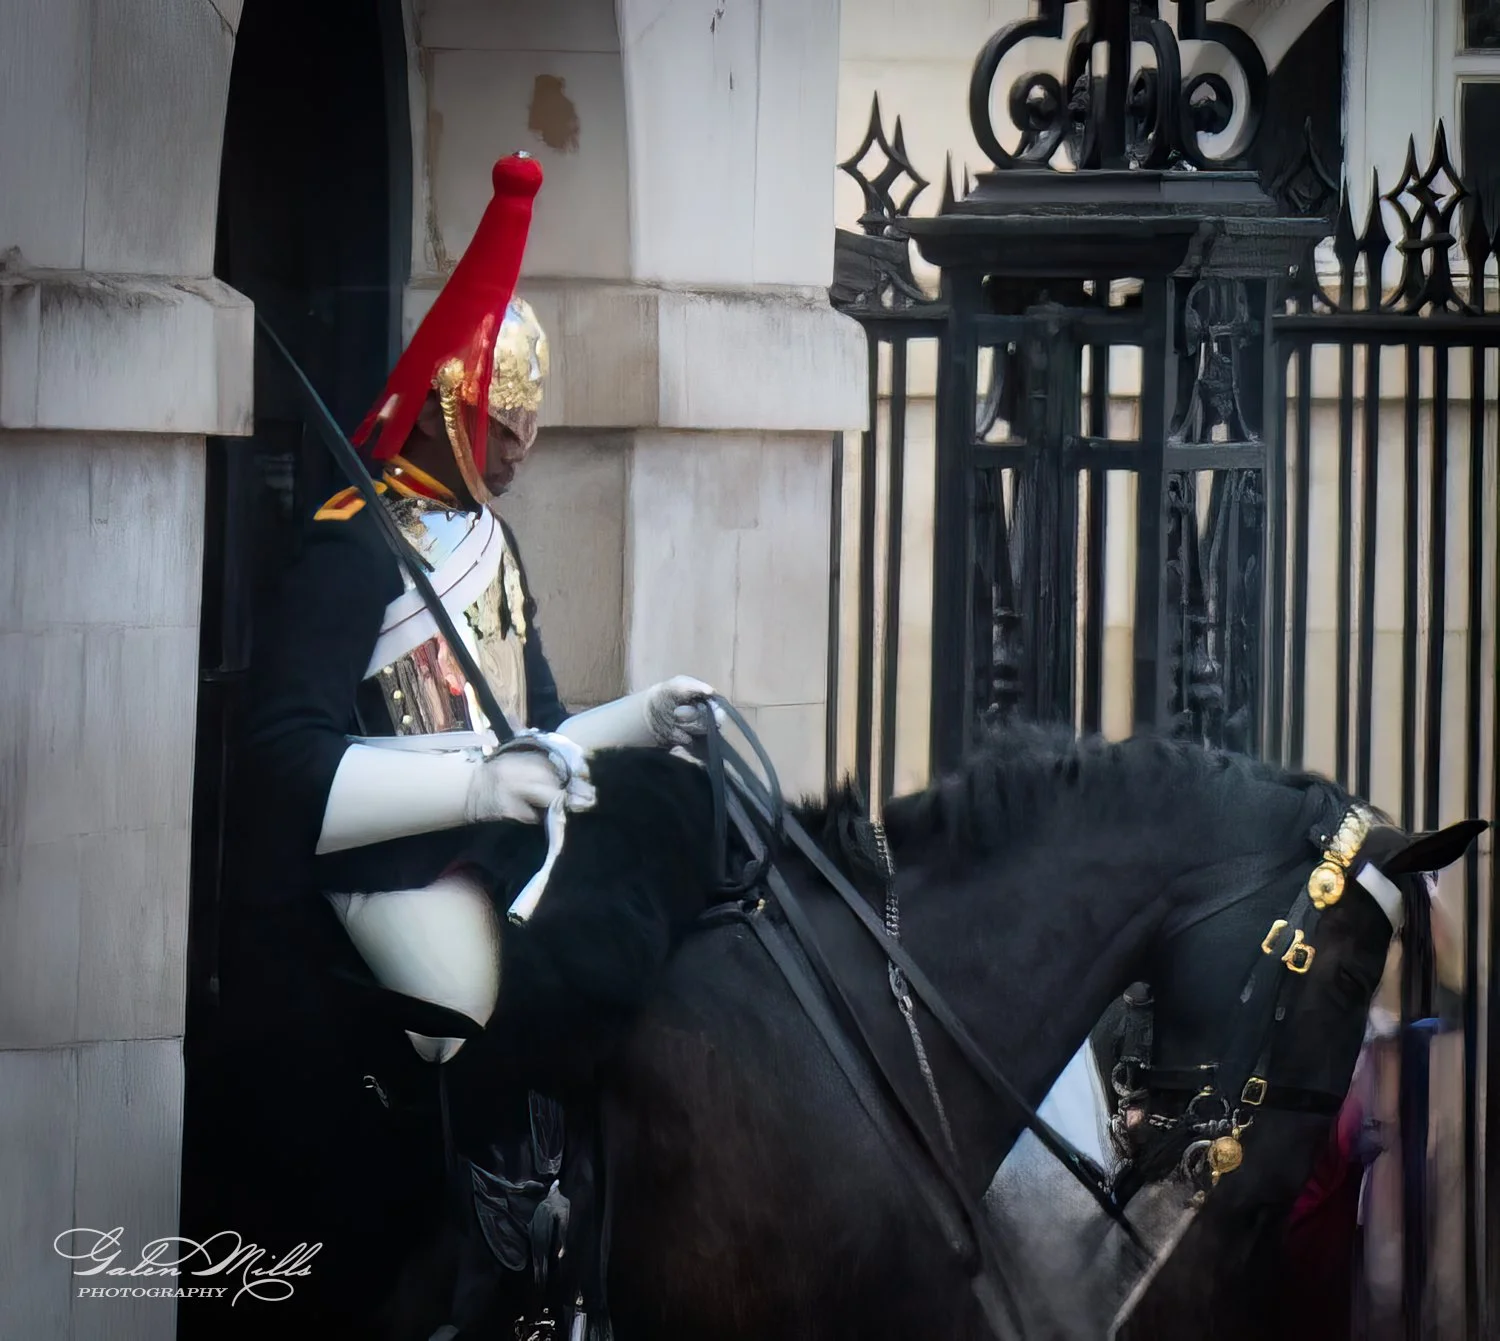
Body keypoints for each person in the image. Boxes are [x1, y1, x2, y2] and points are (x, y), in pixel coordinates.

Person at [212, 152, 716, 1333]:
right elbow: (286, 765)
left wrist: (638, 721)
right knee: (497, 997)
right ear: (452, 402)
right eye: (508, 417)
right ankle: (485, 1260)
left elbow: (528, 728)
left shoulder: (486, 542)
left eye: (532, 420)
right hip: (378, 873)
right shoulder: (352, 547)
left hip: (487, 841)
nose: (526, 444)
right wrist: (479, 784)